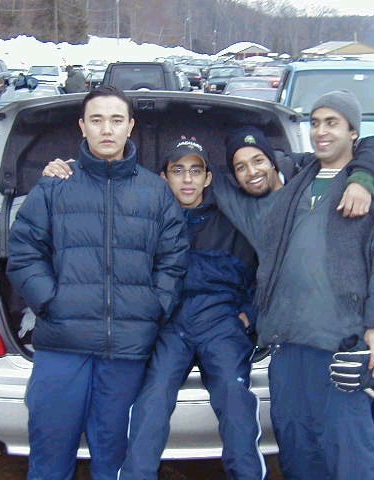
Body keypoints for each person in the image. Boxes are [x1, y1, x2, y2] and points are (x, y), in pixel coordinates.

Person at [214, 90, 374, 479]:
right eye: (316, 122)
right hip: (288, 344)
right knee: (297, 449)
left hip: (339, 344)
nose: (321, 131)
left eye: (332, 123)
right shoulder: (296, 183)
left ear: (353, 132)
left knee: (349, 454)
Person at [6, 85, 189, 480]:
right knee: (50, 455)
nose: (107, 129)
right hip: (62, 346)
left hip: (126, 350)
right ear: (82, 126)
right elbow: (23, 251)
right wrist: (49, 301)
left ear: (130, 127)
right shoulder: (55, 185)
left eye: (116, 120)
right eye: (97, 120)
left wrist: (153, 307)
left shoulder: (155, 192)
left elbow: (173, 259)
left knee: (114, 456)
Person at [117, 138, 266, 480]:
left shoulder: (234, 220)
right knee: (154, 397)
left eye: (196, 171)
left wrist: (250, 316)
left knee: (234, 396)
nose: (187, 179)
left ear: (208, 178)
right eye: (178, 170)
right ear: (164, 177)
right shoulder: (150, 222)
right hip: (172, 326)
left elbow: (267, 274)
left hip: (221, 324)